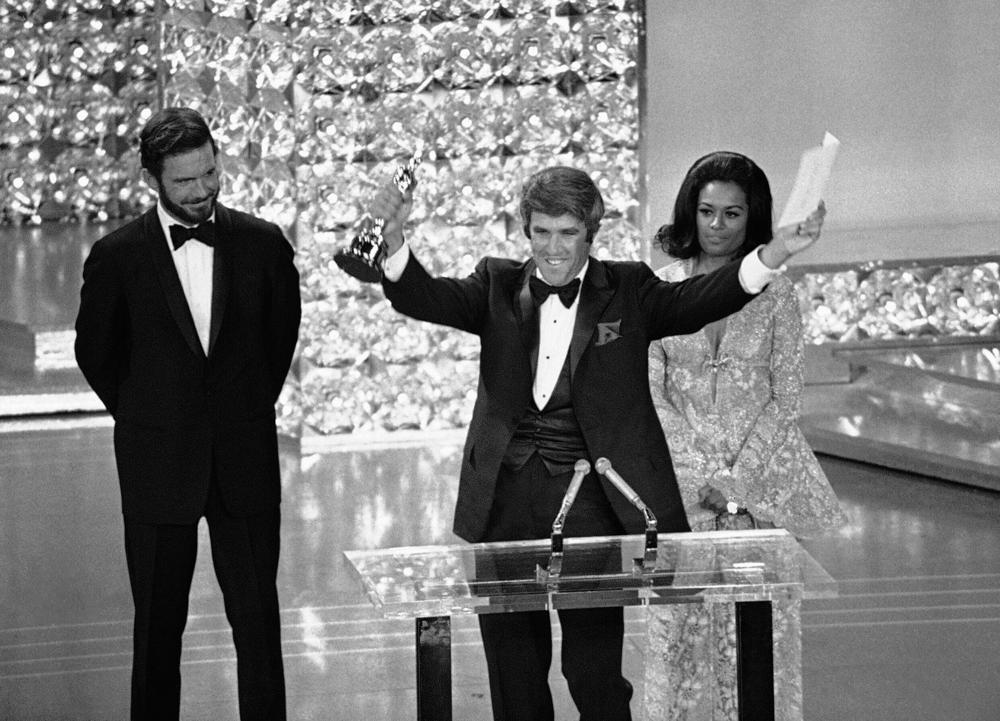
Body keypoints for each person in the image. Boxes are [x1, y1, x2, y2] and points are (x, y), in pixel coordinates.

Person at [366, 164, 823, 721]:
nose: (552, 248)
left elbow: (702, 298)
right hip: (504, 502)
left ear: (591, 232)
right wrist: (394, 240)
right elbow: (427, 297)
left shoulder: (628, 289)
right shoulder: (495, 283)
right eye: (541, 232)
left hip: (590, 502)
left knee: (594, 673)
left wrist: (774, 254)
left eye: (567, 233)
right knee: (514, 675)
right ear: (526, 230)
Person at [74, 107, 301, 721]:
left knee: (258, 626)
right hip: (157, 465)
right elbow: (95, 353)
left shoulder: (263, 244)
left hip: (244, 462)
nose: (202, 190)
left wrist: (245, 409)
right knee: (156, 631)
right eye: (184, 181)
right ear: (151, 179)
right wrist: (147, 416)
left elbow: (280, 338)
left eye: (209, 173)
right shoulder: (117, 256)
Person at [643, 151, 847, 720]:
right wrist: (700, 474)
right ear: (689, 212)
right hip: (679, 490)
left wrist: (736, 481)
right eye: (706, 210)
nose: (717, 225)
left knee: (757, 644)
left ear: (751, 217)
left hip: (759, 494)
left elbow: (786, 399)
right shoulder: (657, 289)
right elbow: (649, 394)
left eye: (732, 214)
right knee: (679, 644)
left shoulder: (777, 294)